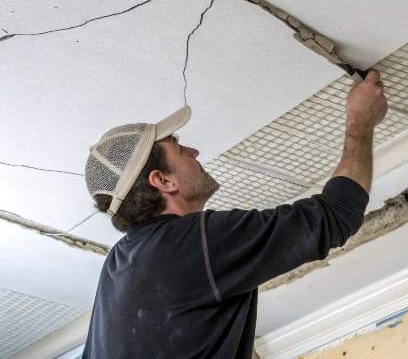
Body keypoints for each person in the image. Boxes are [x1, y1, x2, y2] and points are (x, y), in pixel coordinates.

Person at [82, 71, 388, 358]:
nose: (194, 153)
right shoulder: (191, 244)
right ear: (163, 181)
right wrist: (360, 123)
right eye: (179, 148)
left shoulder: (117, 267)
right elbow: (336, 214)